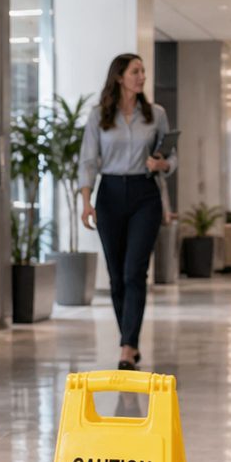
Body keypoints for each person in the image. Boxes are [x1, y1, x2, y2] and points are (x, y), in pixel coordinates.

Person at [78, 53, 174, 371]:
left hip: (145, 194)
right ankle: (128, 339)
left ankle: (127, 345)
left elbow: (171, 158)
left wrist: (163, 164)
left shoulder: (156, 114)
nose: (142, 76)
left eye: (143, 71)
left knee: (135, 272)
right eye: (136, 71)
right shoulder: (99, 115)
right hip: (110, 196)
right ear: (120, 77)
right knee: (117, 276)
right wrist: (86, 201)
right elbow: (89, 160)